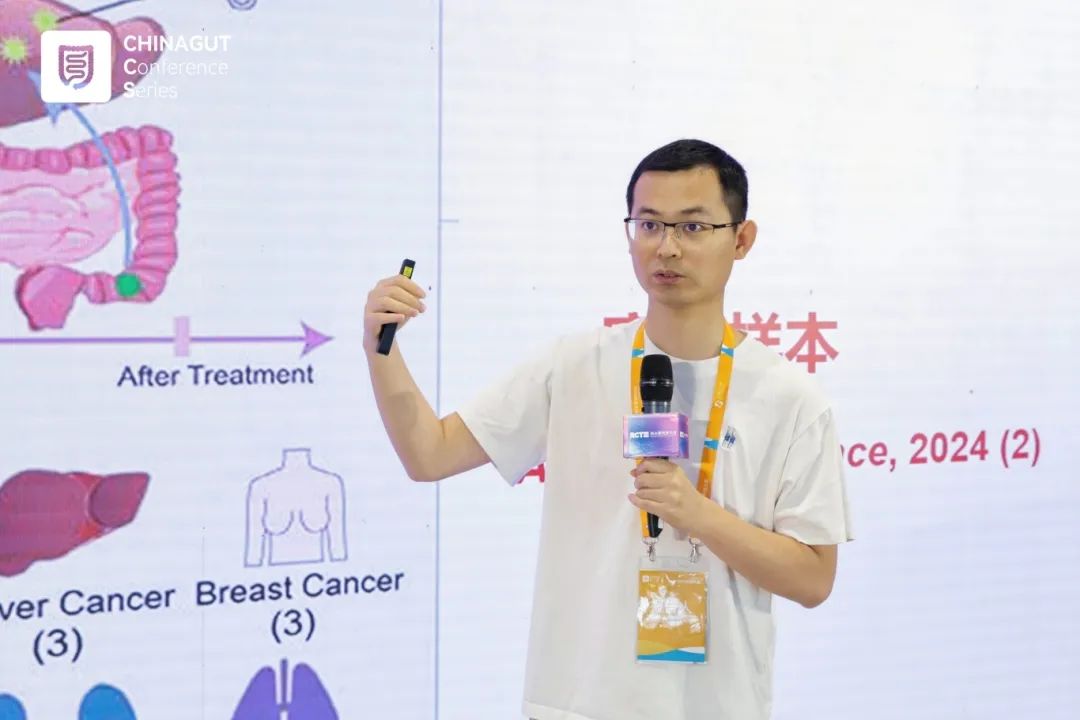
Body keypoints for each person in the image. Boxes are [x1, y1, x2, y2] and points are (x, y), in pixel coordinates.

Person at [363, 138, 854, 719]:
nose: (667, 247)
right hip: (578, 702)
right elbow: (429, 453)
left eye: (692, 227)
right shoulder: (572, 366)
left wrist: (697, 514)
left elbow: (813, 579)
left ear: (741, 239)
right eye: (649, 225)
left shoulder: (790, 400)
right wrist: (380, 348)